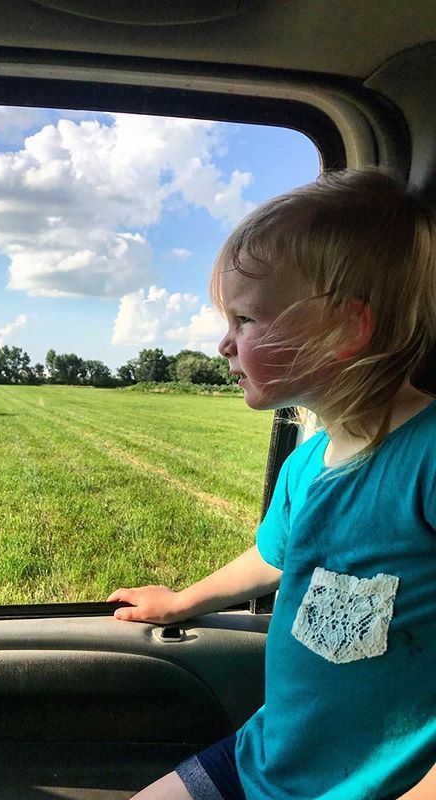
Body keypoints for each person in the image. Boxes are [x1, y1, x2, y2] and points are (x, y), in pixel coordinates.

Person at [107, 169, 436, 800]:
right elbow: (272, 558)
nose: (224, 343)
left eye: (246, 318)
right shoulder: (307, 463)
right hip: (269, 758)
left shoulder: (427, 458)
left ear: (344, 327)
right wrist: (181, 602)